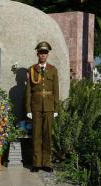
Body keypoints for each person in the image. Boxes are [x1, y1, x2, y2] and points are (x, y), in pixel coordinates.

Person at [25, 41, 59, 172]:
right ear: (37, 54)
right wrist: (28, 109)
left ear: (48, 55)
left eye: (45, 53)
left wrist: (56, 108)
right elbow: (28, 91)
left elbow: (56, 90)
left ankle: (46, 163)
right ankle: (36, 163)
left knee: (47, 136)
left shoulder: (53, 70)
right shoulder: (32, 69)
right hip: (36, 107)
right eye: (41, 53)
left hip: (49, 107)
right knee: (36, 135)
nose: (43, 55)